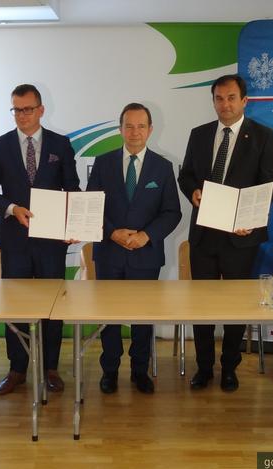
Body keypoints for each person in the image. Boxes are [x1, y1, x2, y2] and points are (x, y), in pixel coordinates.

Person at [177, 74, 273, 392]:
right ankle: (204, 367)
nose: (225, 104)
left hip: (241, 237)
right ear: (213, 101)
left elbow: (269, 185)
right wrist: (192, 191)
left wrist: (251, 218)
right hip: (204, 236)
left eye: (231, 97)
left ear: (244, 101)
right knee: (202, 306)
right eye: (219, 98)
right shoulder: (199, 134)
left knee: (236, 306)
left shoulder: (263, 136)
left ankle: (230, 367)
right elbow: (186, 175)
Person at [0, 84, 80, 395]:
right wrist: (11, 208)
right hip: (15, 243)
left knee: (52, 307)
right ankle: (17, 369)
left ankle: (51, 367)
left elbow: (72, 189)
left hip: (51, 242)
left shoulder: (61, 144)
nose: (22, 115)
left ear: (41, 110)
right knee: (16, 307)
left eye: (28, 109)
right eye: (16, 110)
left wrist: (72, 224)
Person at [87, 103, 181, 394]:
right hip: (109, 253)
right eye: (129, 126)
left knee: (143, 318)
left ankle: (140, 370)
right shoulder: (102, 163)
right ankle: (110, 370)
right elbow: (91, 206)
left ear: (150, 130)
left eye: (141, 126)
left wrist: (147, 236)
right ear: (120, 129)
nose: (135, 132)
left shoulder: (162, 167)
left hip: (145, 255)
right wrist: (111, 233)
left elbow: (172, 212)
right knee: (109, 318)